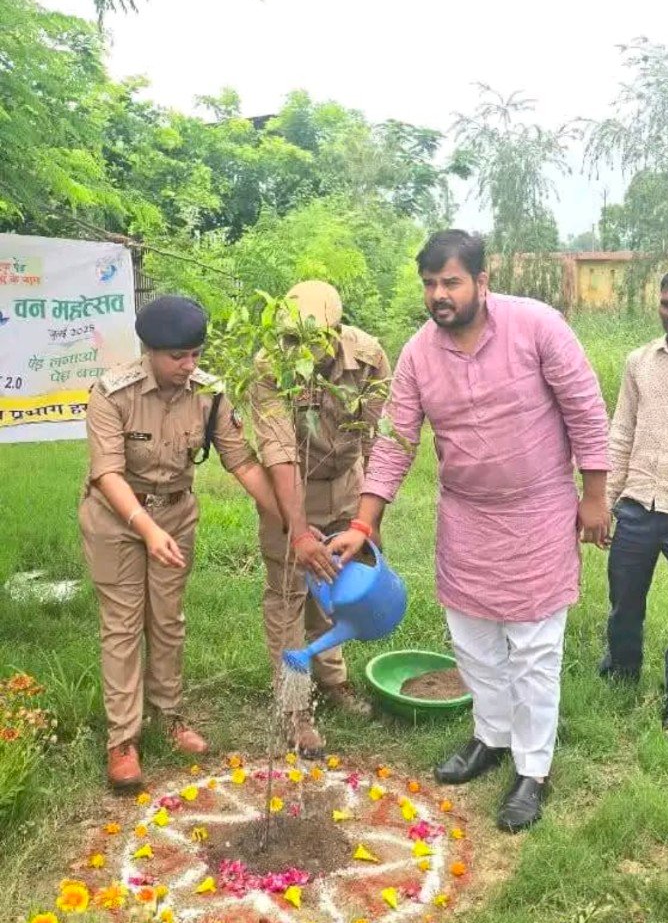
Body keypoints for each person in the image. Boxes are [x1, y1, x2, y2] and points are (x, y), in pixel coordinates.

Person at [330, 230, 610, 832]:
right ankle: (492, 736)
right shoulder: (418, 354)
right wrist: (364, 521)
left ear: (482, 282)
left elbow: (586, 408)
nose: (439, 295)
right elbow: (395, 441)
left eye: (451, 282)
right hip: (466, 517)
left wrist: (593, 496)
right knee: (474, 644)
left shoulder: (537, 326)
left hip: (537, 512)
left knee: (534, 649)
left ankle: (533, 769)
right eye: (430, 284)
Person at [80, 295, 285, 790]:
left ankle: (169, 717)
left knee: (168, 620)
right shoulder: (111, 394)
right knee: (124, 624)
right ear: (149, 351)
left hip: (176, 513)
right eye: (178, 357)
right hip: (117, 519)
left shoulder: (209, 393)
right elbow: (107, 473)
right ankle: (123, 740)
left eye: (195, 354)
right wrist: (146, 530)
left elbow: (243, 462)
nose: (188, 365)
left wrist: (286, 518)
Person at [250, 280, 391, 758]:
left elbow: (378, 440)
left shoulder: (369, 357)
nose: (300, 349)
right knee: (289, 594)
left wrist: (369, 524)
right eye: (291, 338)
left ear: (336, 329)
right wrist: (297, 530)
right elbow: (279, 451)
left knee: (338, 586)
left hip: (347, 484)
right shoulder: (271, 366)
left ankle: (332, 681)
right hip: (289, 490)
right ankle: (295, 710)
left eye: (311, 339)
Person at [601, 266, 668, 736]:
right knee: (624, 602)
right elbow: (620, 432)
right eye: (666, 303)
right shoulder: (639, 361)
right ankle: (621, 673)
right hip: (638, 504)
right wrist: (604, 501)